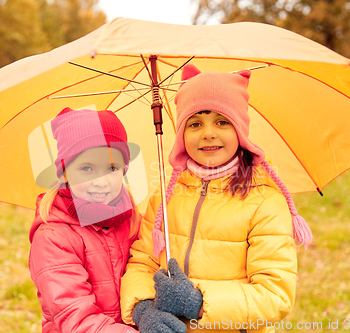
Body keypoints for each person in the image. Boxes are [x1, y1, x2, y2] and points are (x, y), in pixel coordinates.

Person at [120, 64, 313, 333]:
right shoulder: (164, 198)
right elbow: (142, 262)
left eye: (222, 121)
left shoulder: (265, 203)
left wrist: (197, 303)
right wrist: (144, 308)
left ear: (240, 131)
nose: (208, 133)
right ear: (181, 135)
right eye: (195, 123)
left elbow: (275, 295)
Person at [29, 107, 141, 333]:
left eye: (112, 168)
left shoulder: (132, 219)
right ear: (64, 173)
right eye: (87, 168)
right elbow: (76, 318)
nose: (101, 182)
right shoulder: (54, 238)